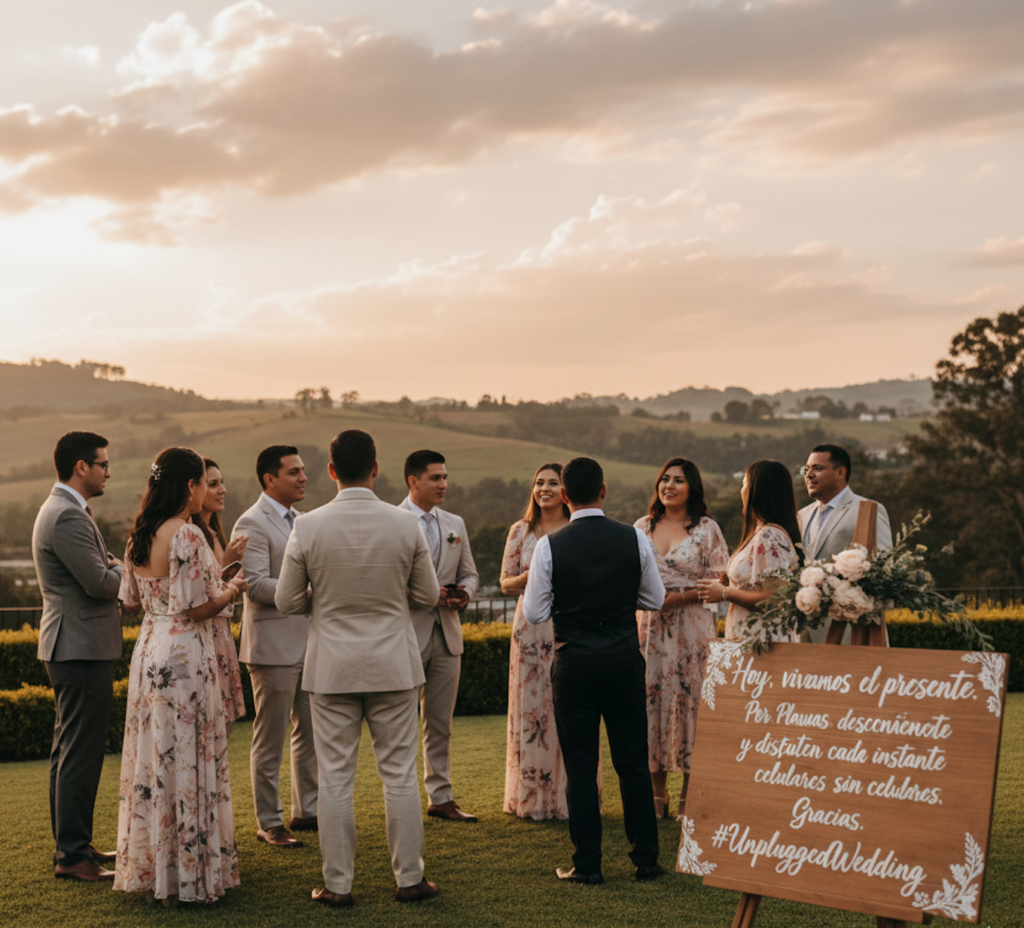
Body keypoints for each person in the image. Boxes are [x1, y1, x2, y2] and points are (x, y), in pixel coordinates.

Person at [275, 430, 442, 906]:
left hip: (331, 668)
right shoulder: (404, 524)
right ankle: (410, 879)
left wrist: (326, 602)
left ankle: (338, 884)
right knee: (400, 775)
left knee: (335, 777)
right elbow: (428, 596)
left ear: (330, 471)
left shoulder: (307, 526)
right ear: (375, 468)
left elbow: (287, 600)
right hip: (394, 663)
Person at [524, 457, 666, 885]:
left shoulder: (550, 545)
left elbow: (534, 611)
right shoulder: (634, 537)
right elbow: (655, 599)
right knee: (633, 762)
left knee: (582, 766)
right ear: (603, 491)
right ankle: (646, 860)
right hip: (623, 659)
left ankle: (587, 865)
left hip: (576, 663)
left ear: (565, 497)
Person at [115, 447, 246, 904]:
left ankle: (157, 873)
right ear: (190, 486)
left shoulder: (139, 535)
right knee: (188, 757)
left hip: (149, 649)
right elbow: (195, 608)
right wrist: (231, 588)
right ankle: (188, 877)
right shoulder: (187, 536)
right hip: (185, 655)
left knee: (156, 758)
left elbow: (130, 599)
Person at [33, 431, 123, 881]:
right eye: (103, 464)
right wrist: (127, 568)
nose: (109, 471)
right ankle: (71, 857)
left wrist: (112, 567)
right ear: (81, 467)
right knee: (80, 754)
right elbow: (101, 583)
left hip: (73, 644)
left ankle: (74, 845)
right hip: (79, 647)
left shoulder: (68, 510)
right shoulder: (66, 515)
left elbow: (101, 569)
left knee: (68, 752)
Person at [231, 445, 318, 848]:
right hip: (271, 646)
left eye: (302, 471)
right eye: (293, 472)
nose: (303, 477)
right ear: (270, 479)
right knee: (271, 739)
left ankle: (308, 812)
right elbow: (256, 585)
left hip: (308, 644)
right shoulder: (251, 521)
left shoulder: (302, 520)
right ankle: (269, 821)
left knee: (312, 732)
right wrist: (310, 593)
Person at [634, 458, 729, 822]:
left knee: (693, 706)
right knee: (650, 704)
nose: (669, 486)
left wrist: (680, 597)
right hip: (650, 629)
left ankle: (690, 795)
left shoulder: (707, 529)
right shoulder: (641, 528)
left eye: (678, 480)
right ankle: (657, 794)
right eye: (664, 479)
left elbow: (719, 581)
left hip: (693, 627)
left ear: (693, 488)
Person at [399, 450, 480, 823]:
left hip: (447, 634)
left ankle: (441, 797)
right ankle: (403, 799)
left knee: (440, 723)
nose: (443, 484)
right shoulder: (393, 521)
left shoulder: (455, 523)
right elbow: (387, 581)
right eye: (435, 478)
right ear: (413, 482)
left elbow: (471, 573)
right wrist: (431, 595)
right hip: (405, 636)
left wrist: (465, 592)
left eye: (445, 477)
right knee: (400, 723)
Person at [501, 463, 571, 820]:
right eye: (539, 483)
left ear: (566, 490)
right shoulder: (521, 530)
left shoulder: (575, 530)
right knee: (531, 712)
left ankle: (566, 798)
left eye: (553, 483)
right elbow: (504, 582)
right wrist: (532, 575)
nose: (544, 489)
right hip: (529, 631)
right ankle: (529, 798)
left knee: (566, 710)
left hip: (568, 627)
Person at [697, 459, 801, 644]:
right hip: (746, 637)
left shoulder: (770, 536)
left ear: (757, 490)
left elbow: (774, 599)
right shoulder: (759, 533)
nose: (742, 491)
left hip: (761, 642)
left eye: (744, 484)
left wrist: (724, 593)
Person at [798, 443, 893, 643]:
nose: (809, 475)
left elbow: (886, 570)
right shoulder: (801, 516)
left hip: (852, 631)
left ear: (841, 473)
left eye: (818, 468)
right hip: (806, 631)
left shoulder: (868, 509)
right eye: (806, 469)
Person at [191, 457, 249, 726]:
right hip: (206, 639)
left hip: (221, 638)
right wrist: (228, 567)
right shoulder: (193, 537)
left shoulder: (214, 534)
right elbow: (204, 594)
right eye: (213, 484)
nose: (222, 489)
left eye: (222, 483)